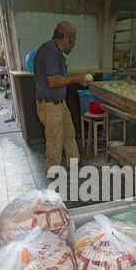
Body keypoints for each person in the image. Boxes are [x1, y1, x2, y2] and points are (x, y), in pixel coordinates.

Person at [34, 21, 93, 174]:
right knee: (55, 140)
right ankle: (52, 171)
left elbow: (61, 77)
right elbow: (53, 82)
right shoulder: (51, 51)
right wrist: (77, 78)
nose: (75, 44)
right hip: (50, 105)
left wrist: (80, 77)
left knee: (68, 133)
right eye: (74, 40)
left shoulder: (56, 52)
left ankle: (73, 163)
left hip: (58, 103)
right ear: (67, 38)